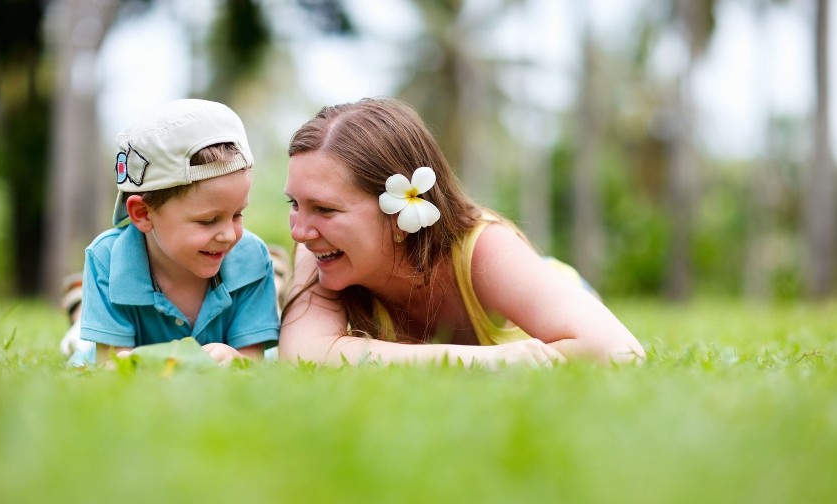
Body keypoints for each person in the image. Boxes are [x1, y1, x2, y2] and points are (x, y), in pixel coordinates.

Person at [279, 97, 645, 368]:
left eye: (325, 209)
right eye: (295, 204)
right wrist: (486, 362)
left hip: (547, 282)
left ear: (401, 210)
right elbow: (303, 355)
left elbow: (619, 351)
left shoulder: (486, 248)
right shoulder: (319, 249)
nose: (300, 232)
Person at [71, 98, 281, 366]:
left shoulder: (251, 258)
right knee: (77, 342)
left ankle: (279, 279)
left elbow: (253, 363)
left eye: (238, 214)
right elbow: (110, 365)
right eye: (208, 221)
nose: (229, 235)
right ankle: (79, 309)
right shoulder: (108, 260)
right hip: (100, 341)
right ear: (143, 214)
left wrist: (236, 360)